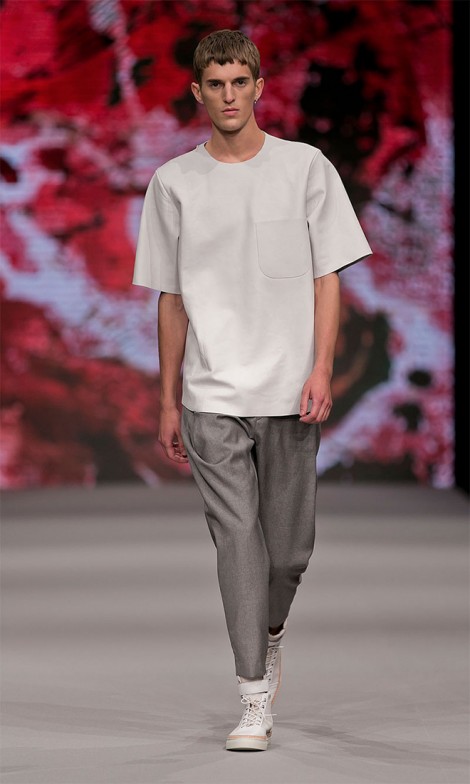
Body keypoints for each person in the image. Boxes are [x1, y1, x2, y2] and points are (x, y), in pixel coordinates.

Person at [132, 29, 372, 752]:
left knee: (289, 553)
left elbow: (327, 277)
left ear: (260, 87)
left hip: (290, 390)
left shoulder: (306, 168)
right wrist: (168, 400)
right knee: (237, 540)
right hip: (211, 394)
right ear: (197, 92)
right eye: (216, 84)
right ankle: (252, 697)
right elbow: (171, 299)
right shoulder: (173, 182)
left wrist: (321, 367)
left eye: (240, 82)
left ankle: (269, 633)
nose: (229, 95)